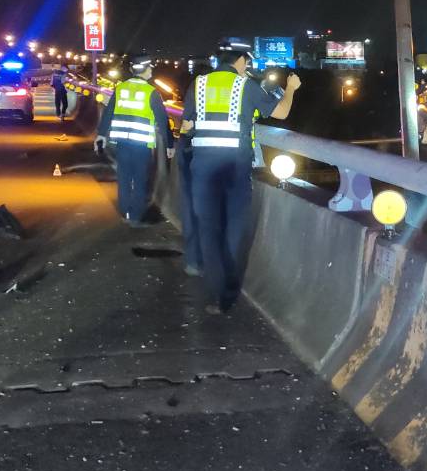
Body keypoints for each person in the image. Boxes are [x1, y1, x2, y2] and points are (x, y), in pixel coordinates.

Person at [180, 44, 300, 312]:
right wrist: (291, 88)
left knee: (209, 229)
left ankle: (215, 291)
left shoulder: (198, 85)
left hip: (203, 168)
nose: (248, 67)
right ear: (241, 60)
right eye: (247, 62)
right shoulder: (245, 86)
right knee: (234, 228)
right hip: (235, 168)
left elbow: (186, 126)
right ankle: (228, 295)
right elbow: (280, 113)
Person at [96, 54, 174, 227]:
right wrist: (170, 144)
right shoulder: (151, 92)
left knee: (124, 178)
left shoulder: (121, 88)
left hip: (122, 142)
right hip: (141, 144)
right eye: (150, 67)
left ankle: (125, 212)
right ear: (145, 70)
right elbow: (163, 121)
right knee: (139, 180)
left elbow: (108, 112)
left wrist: (101, 135)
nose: (152, 70)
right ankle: (136, 217)